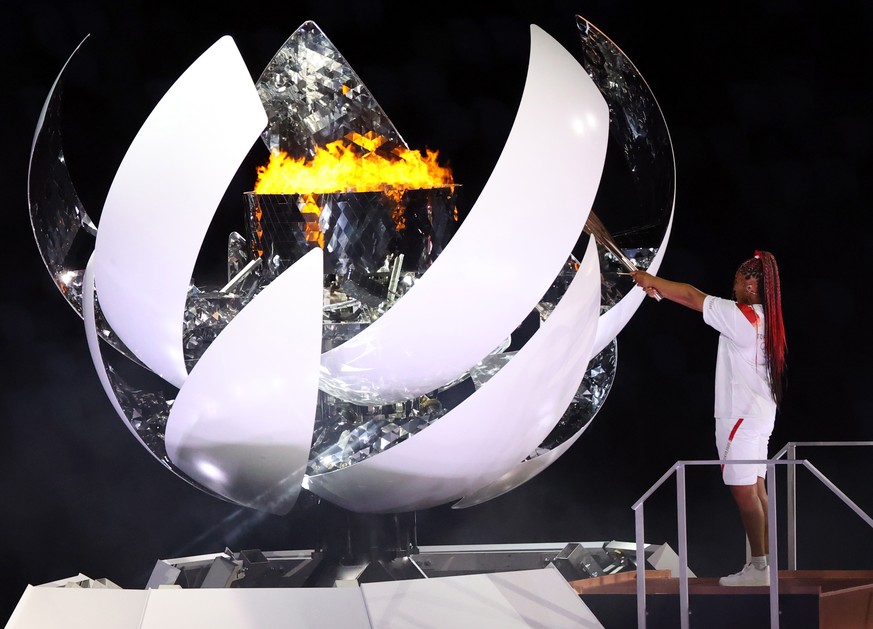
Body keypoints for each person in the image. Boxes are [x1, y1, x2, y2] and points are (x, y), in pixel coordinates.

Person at [630, 251, 787, 587]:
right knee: (757, 491)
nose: (732, 288)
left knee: (745, 494)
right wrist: (661, 290)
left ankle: (759, 569)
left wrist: (651, 280)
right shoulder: (763, 318)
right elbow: (688, 299)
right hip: (758, 414)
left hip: (740, 417)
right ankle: (765, 566)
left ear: (749, 284)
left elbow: (692, 295)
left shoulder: (744, 317)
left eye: (735, 282)